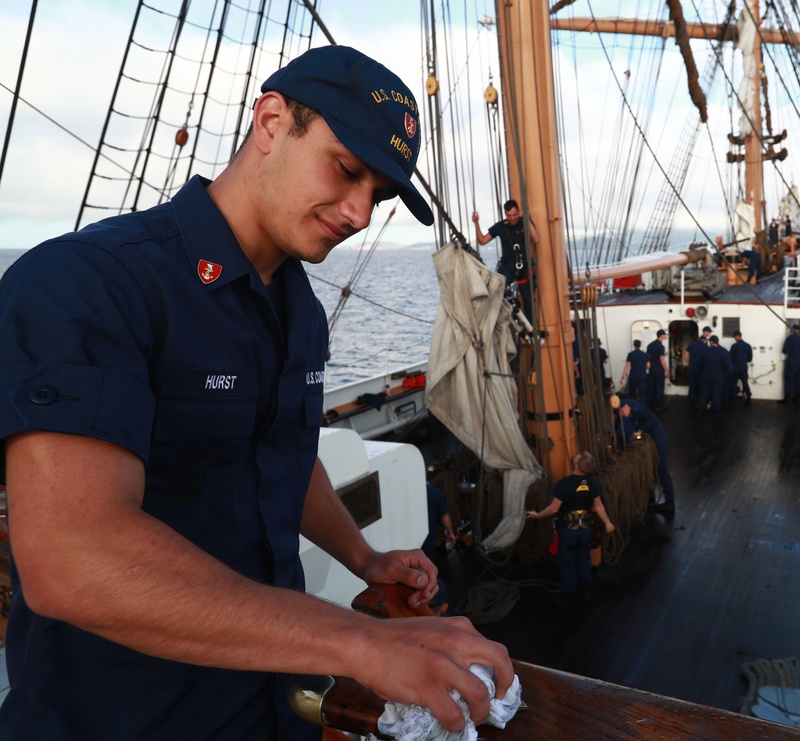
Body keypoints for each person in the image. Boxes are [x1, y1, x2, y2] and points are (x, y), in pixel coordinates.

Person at [0, 45, 512, 740]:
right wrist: (356, 642)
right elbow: (72, 556)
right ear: (272, 120)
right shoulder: (91, 285)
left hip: (274, 707)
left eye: (379, 194)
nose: (361, 212)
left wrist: (362, 558)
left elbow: (284, 454)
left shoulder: (297, 308)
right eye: (346, 169)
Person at [526, 452, 614, 600]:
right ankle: (586, 587)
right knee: (584, 558)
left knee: (566, 561)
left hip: (567, 531)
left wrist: (538, 515)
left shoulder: (563, 484)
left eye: (578, 457)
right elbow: (598, 506)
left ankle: (569, 592)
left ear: (576, 465)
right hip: (585, 529)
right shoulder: (593, 483)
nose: (575, 456)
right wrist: (608, 523)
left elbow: (554, 509)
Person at [472, 198, 541, 324]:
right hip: (508, 267)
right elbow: (482, 241)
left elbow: (536, 239)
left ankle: (531, 328)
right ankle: (502, 318)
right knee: (495, 290)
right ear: (505, 214)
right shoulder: (501, 227)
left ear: (519, 212)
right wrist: (476, 223)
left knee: (528, 299)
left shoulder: (524, 223)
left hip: (524, 268)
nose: (513, 218)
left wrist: (526, 218)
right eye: (509, 215)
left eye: (515, 214)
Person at [619, 398, 675, 517]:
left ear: (627, 407)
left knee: (662, 470)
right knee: (653, 469)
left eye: (622, 410)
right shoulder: (631, 416)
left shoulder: (638, 411)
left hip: (659, 443)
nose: (622, 413)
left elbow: (652, 419)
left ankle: (670, 502)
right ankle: (650, 495)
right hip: (654, 444)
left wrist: (640, 431)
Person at [422, 483, 457, 615]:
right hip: (427, 541)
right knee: (427, 572)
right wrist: (451, 534)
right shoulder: (435, 493)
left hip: (408, 545)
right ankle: (431, 600)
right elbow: (445, 515)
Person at [698, 335, 733, 413]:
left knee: (703, 394)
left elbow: (699, 364)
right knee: (717, 395)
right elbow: (729, 368)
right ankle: (717, 412)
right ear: (717, 342)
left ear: (710, 342)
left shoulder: (704, 351)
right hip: (718, 377)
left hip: (706, 377)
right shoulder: (724, 352)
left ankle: (700, 412)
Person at [781, 325, 800, 404]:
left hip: (791, 362)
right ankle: (797, 398)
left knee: (789, 380)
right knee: (799, 381)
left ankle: (787, 398)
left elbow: (785, 350)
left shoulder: (790, 338)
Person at [685, 326, 712, 409]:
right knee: (701, 386)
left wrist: (690, 363)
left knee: (692, 385)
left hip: (692, 368)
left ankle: (692, 402)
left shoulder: (691, 345)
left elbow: (686, 356)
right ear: (705, 341)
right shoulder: (706, 347)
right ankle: (700, 402)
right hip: (701, 370)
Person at [646, 329, 668, 411]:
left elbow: (647, 358)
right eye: (664, 335)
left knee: (651, 387)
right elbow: (661, 359)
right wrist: (666, 370)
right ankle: (658, 406)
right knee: (659, 387)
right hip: (659, 370)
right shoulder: (661, 346)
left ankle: (650, 405)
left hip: (651, 370)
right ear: (662, 336)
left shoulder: (650, 345)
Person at [729, 330, 753, 404]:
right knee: (745, 382)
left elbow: (730, 358)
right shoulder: (748, 345)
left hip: (735, 368)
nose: (734, 339)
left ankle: (733, 400)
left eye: (734, 337)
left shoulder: (734, 346)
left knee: (733, 383)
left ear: (737, 336)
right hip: (744, 368)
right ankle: (748, 397)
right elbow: (750, 359)